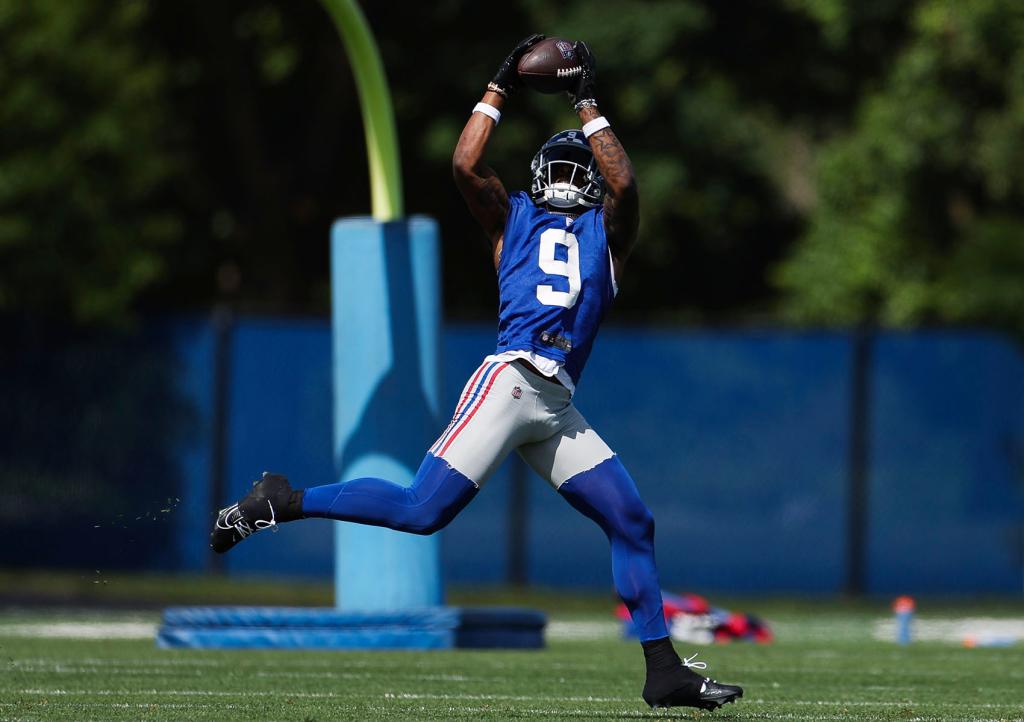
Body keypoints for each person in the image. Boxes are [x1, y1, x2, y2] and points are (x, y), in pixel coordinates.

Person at [210, 35, 743, 711]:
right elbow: (466, 166)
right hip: (512, 380)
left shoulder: (602, 233)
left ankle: (663, 672)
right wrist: (509, 86)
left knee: (632, 521)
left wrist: (573, 100)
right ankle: (281, 500)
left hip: (553, 403)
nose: (567, 177)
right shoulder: (514, 221)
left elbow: (624, 182)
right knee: (420, 509)